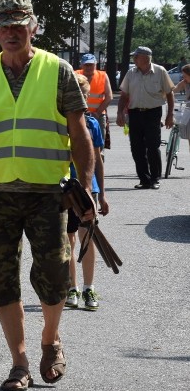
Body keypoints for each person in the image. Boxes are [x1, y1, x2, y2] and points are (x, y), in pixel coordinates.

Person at [0, 0, 95, 391]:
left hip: (47, 189)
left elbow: (79, 132)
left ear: (33, 27)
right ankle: (19, 362)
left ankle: (51, 339)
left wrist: (88, 187)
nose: (12, 33)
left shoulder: (58, 69)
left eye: (19, 25)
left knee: (53, 272)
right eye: (4, 26)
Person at [65, 74, 109, 311]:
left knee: (86, 238)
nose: (81, 100)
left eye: (85, 95)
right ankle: (72, 287)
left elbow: (98, 161)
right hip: (64, 189)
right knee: (68, 239)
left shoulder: (92, 124)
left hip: (86, 189)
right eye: (77, 95)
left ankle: (88, 287)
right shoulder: (59, 121)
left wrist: (101, 193)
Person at [115, 46, 175, 190]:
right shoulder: (131, 73)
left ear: (145, 58)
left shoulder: (160, 71)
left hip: (153, 113)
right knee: (137, 148)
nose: (134, 59)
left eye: (136, 56)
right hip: (135, 113)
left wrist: (170, 115)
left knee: (153, 147)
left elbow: (169, 94)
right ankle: (144, 179)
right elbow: (124, 95)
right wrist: (119, 113)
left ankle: (155, 179)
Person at [75, 53, 113, 147]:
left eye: (91, 65)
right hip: (79, 115)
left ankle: (99, 160)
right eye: (86, 65)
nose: (88, 67)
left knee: (98, 145)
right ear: (82, 65)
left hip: (98, 116)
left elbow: (109, 97)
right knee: (79, 144)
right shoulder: (75, 74)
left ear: (95, 65)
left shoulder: (103, 76)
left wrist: (98, 113)